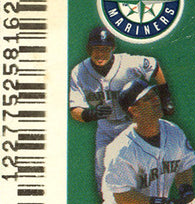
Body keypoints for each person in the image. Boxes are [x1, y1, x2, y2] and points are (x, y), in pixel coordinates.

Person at [98, 79, 195, 204]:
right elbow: (122, 197)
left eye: (154, 95)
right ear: (134, 110)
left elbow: (183, 166)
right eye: (146, 98)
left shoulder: (174, 132)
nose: (155, 99)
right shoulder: (121, 149)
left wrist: (186, 193)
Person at [67, 26, 175, 194]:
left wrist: (165, 95)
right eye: (96, 49)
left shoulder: (128, 63)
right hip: (106, 128)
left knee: (142, 168)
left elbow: (154, 66)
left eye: (105, 49)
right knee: (103, 171)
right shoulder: (79, 72)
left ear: (112, 49)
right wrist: (89, 114)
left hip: (132, 123)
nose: (100, 54)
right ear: (89, 50)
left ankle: (147, 203)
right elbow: (74, 109)